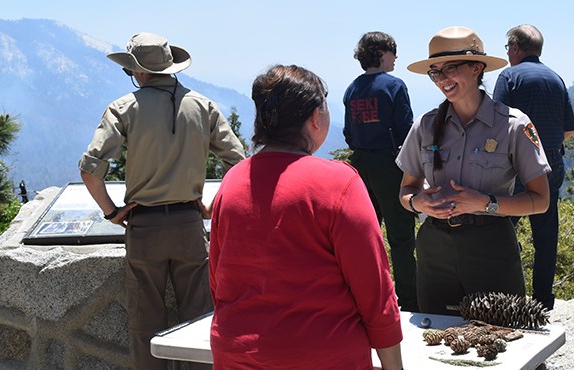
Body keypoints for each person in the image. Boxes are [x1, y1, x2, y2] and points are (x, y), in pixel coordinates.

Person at [209, 65, 403, 369]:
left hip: (236, 353)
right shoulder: (339, 183)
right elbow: (375, 291)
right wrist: (394, 365)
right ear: (315, 118)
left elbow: (219, 281)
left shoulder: (233, 181)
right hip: (321, 356)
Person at [78, 32, 246, 369]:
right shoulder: (203, 105)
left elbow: (89, 171)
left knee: (145, 323)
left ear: (138, 72)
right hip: (188, 224)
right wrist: (211, 206)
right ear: (170, 67)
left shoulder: (123, 109)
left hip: (144, 226)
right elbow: (239, 161)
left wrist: (112, 212)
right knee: (200, 320)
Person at [398, 26, 551, 315]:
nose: (442, 79)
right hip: (434, 249)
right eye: (435, 72)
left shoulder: (514, 125)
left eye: (451, 68)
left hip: (491, 247)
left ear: (477, 68)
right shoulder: (425, 126)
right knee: (438, 345)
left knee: (505, 340)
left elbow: (540, 201)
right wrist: (417, 203)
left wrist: (486, 203)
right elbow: (406, 191)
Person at [493, 24, 574, 311]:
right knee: (545, 232)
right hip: (552, 161)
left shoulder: (509, 76)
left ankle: (504, 295)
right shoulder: (556, 79)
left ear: (516, 48)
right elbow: (569, 131)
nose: (507, 53)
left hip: (516, 164)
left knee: (501, 229)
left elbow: (497, 123)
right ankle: (543, 301)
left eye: (508, 48)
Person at [343, 31, 418, 312]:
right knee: (401, 236)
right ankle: (409, 301)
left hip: (359, 168)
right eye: (393, 51)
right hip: (390, 165)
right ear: (382, 53)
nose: (396, 57)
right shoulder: (394, 86)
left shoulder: (352, 89)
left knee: (365, 237)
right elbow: (408, 131)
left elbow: (349, 133)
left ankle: (366, 299)